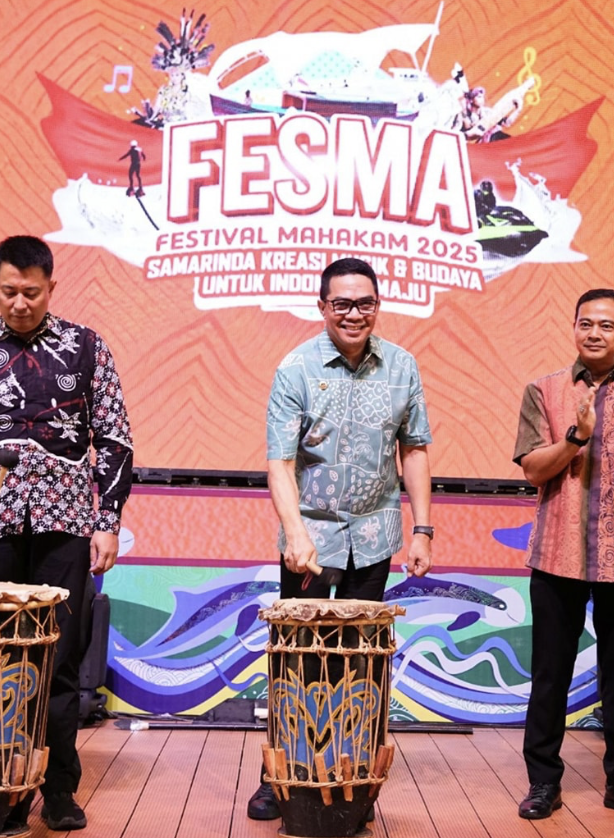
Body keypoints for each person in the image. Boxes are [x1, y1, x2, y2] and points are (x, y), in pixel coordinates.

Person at [0, 235, 134, 832]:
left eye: (32, 293)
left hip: (65, 524)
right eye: (9, 291)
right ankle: (2, 786)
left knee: (59, 662)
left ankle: (59, 789)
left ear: (51, 287)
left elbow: (114, 440)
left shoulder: (86, 347)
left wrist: (107, 521)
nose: (20, 303)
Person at [247, 256, 434, 821]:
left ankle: (351, 779)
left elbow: (414, 450)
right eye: (342, 304)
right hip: (311, 540)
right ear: (322, 306)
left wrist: (422, 529)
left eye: (365, 303)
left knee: (361, 666)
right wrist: (295, 533)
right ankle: (279, 777)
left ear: (377, 305)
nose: (354, 314)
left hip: (375, 535)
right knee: (297, 662)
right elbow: (280, 462)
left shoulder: (402, 366)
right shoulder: (296, 368)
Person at [513, 289, 614, 822]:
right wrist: (576, 437)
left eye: (607, 325)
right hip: (557, 555)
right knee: (550, 674)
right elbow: (533, 470)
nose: (595, 333)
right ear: (574, 328)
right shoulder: (543, 390)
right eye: (586, 323)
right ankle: (543, 782)